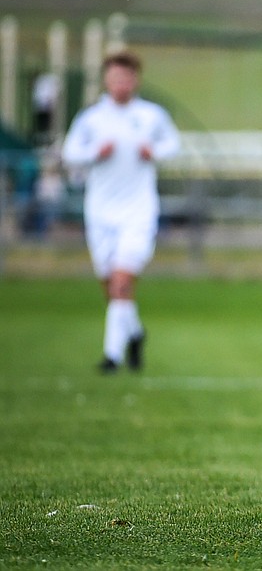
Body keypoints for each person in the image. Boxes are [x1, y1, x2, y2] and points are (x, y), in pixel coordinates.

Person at [61, 51, 181, 374]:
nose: (120, 84)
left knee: (122, 282)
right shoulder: (92, 119)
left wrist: (153, 151)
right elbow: (69, 152)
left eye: (126, 77)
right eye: (115, 78)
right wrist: (92, 154)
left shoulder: (151, 115)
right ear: (105, 80)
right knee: (111, 287)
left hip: (138, 211)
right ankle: (136, 333)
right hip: (100, 212)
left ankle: (112, 356)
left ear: (136, 80)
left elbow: (174, 144)